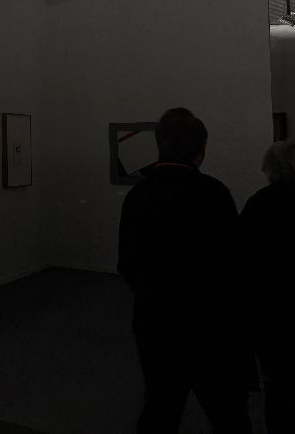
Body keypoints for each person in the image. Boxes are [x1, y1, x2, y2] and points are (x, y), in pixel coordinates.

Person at [118, 107, 253, 433]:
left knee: (160, 407)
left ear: (160, 145)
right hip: (210, 323)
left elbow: (127, 263)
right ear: (199, 151)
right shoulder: (214, 193)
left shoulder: (138, 195)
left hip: (156, 320)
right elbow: (234, 263)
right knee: (228, 411)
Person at [240, 141, 295, 433]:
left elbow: (243, 265)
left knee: (282, 399)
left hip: (275, 320)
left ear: (271, 168)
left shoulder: (259, 205)